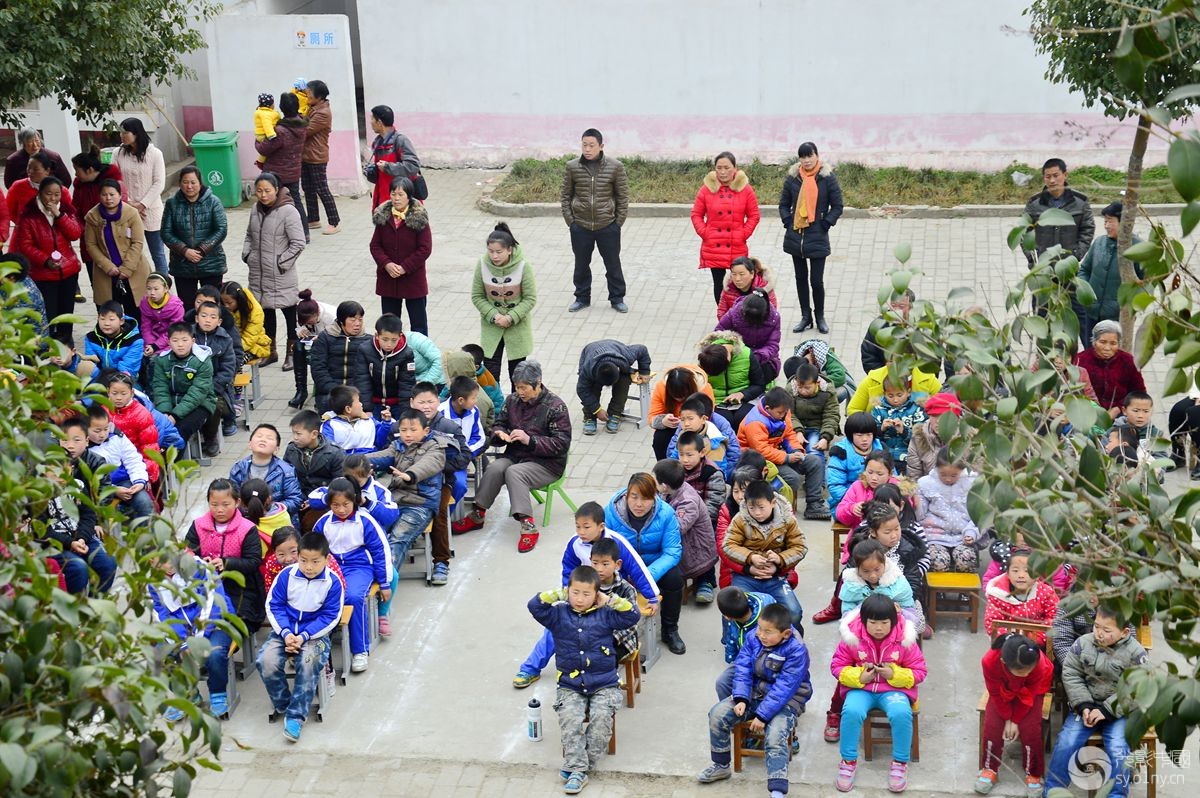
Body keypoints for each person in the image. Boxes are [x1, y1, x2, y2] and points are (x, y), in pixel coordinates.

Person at [528, 566, 640, 795]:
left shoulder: (606, 614)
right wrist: (560, 594)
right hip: (570, 684)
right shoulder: (557, 614)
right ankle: (580, 770)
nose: (579, 599)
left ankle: (577, 767)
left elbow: (632, 615)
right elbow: (534, 606)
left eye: (587, 594)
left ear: (597, 594)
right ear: (568, 591)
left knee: (601, 722)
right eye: (575, 592)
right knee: (570, 720)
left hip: (604, 683)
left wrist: (610, 601)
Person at [513, 517, 655, 689]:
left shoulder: (625, 590)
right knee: (556, 626)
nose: (600, 569)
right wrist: (566, 593)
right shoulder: (585, 584)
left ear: (617, 565)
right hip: (583, 631)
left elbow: (630, 622)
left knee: (589, 651)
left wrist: (650, 596)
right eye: (595, 563)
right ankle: (531, 668)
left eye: (605, 564)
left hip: (615, 639)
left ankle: (598, 685)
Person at [451, 361, 571, 553]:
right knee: (495, 468)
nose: (520, 392)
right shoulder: (512, 400)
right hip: (516, 455)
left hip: (547, 464)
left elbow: (561, 444)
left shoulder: (556, 407)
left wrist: (529, 440)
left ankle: (528, 526)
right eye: (517, 387)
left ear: (538, 383)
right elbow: (499, 423)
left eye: (524, 387)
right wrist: (499, 434)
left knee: (515, 473)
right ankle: (478, 514)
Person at [697, 603, 811, 798]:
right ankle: (721, 765)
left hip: (786, 701)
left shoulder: (796, 650)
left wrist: (762, 716)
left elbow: (785, 687)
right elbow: (742, 669)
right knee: (717, 714)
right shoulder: (753, 638)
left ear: (784, 634)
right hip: (753, 693)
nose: (761, 634)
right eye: (759, 628)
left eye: (768, 631)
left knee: (775, 734)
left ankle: (777, 786)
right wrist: (741, 697)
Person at [1045, 606, 1149, 798]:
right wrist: (1083, 705)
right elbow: (1071, 674)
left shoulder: (1136, 653)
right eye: (1096, 627)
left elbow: (1137, 687)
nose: (1099, 633)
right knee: (1067, 741)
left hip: (1119, 712)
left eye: (1107, 630)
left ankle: (1117, 794)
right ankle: (1052, 790)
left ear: (1125, 632)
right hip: (1085, 706)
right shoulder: (1082, 644)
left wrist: (1107, 710)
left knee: (1118, 747)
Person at [831, 593, 927, 793]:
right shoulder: (852, 638)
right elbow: (837, 666)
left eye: (884, 622)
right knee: (851, 712)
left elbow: (920, 671)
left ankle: (900, 763)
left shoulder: (904, 640)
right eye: (872, 622)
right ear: (863, 620)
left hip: (893, 690)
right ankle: (848, 761)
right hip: (861, 689)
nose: (878, 628)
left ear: (894, 621)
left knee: (901, 714)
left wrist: (894, 674)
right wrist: (859, 677)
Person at [257, 531, 344, 742]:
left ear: (326, 559)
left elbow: (330, 617)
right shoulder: (286, 576)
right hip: (283, 632)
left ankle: (296, 717)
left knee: (307, 663)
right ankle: (284, 704)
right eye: (304, 560)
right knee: (265, 661)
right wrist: (286, 633)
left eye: (315, 561)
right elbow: (274, 605)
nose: (309, 567)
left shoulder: (332, 583)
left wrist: (304, 636)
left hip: (315, 635)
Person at [311, 478, 393, 673]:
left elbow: (381, 552)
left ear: (355, 500)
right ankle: (315, 645)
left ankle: (359, 650)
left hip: (359, 566)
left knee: (353, 598)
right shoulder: (323, 522)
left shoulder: (365, 521)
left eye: (346, 504)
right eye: (335, 505)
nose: (341, 509)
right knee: (317, 597)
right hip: (331, 566)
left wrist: (384, 582)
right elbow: (313, 550)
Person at [365, 409, 446, 602]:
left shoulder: (436, 447)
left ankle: (384, 586)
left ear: (425, 430)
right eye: (403, 430)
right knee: (373, 533)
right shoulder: (397, 446)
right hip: (394, 501)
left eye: (412, 430)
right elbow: (381, 456)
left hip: (420, 504)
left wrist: (409, 475)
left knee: (398, 538)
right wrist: (357, 461)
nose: (407, 434)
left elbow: (428, 465)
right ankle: (368, 578)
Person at [605, 472, 686, 654]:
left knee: (674, 579)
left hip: (653, 567)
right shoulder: (610, 513)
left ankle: (670, 629)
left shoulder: (666, 514)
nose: (639, 504)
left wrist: (646, 575)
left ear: (655, 497)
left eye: (646, 498)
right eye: (634, 497)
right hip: (622, 567)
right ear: (627, 495)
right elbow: (604, 548)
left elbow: (672, 552)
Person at [150, 555, 234, 721]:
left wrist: (196, 642)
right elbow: (162, 616)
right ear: (151, 561)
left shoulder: (199, 567)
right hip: (180, 632)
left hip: (212, 623)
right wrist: (182, 645)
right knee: (158, 654)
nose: (169, 564)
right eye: (161, 560)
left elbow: (213, 603)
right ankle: (188, 694)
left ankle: (218, 692)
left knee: (215, 653)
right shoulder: (151, 583)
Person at [405, 382, 470, 588]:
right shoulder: (401, 426)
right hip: (407, 483)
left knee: (439, 511)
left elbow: (464, 457)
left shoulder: (449, 428)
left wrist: (437, 466)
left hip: (441, 482)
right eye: (421, 402)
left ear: (438, 402)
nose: (426, 406)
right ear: (411, 402)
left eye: (431, 401)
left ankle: (441, 561)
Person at [183, 478, 266, 636]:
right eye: (214, 505)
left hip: (241, 589)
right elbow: (187, 552)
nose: (219, 510)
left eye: (225, 504)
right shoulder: (199, 525)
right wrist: (199, 562)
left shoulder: (247, 529)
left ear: (237, 502)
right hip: (205, 586)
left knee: (227, 627)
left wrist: (226, 563)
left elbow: (253, 561)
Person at [721, 479, 807, 629]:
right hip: (745, 577)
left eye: (761, 507)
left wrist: (780, 561)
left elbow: (800, 547)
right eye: (751, 507)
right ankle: (734, 645)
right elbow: (728, 545)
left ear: (773, 502)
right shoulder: (740, 520)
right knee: (733, 610)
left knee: (794, 613)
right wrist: (750, 557)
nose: (757, 512)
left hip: (776, 577)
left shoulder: (787, 519)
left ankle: (790, 645)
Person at [561, 128, 629, 313]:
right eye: (584, 145)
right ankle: (582, 297)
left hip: (607, 225)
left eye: (591, 145)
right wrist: (571, 222)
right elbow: (565, 196)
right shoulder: (572, 166)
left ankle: (617, 298)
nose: (587, 149)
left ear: (601, 146)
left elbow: (622, 197)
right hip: (580, 226)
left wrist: (617, 223)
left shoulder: (615, 167)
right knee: (581, 265)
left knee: (613, 264)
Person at [976, 633, 1054, 796]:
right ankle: (989, 768)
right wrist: (1006, 719)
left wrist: (1016, 720)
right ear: (1004, 662)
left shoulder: (1038, 664)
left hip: (1032, 691)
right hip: (1002, 691)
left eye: (1028, 672)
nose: (1026, 674)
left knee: (1030, 728)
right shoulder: (989, 661)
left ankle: (1033, 772)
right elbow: (995, 694)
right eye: (1022, 672)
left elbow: (1031, 694)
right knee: (992, 725)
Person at [46, 418, 118, 594]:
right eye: (65, 440)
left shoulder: (89, 470)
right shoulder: (41, 487)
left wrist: (83, 537)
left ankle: (95, 606)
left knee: (108, 563)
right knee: (78, 568)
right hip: (56, 539)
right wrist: (72, 543)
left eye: (76, 440)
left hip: (83, 530)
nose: (70, 445)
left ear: (87, 440)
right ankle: (75, 608)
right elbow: (40, 527)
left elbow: (96, 504)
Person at [778, 142, 844, 334]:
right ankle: (805, 317)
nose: (806, 160)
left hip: (817, 235)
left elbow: (838, 205)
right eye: (803, 156)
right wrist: (788, 222)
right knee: (801, 279)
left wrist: (826, 223)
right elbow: (783, 204)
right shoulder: (793, 178)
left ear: (817, 156)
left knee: (816, 281)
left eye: (810, 156)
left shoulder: (827, 178)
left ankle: (820, 316)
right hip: (795, 236)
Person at [243, 172, 306, 369]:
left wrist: (281, 262)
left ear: (276, 190)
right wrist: (247, 255)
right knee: (266, 313)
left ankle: (292, 353)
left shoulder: (288, 211)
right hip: (259, 274)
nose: (263, 195)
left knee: (289, 315)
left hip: (281, 275)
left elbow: (298, 243)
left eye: (267, 191)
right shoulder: (255, 209)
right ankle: (270, 351)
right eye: (259, 191)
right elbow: (249, 235)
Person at [738, 387, 828, 520]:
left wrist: (796, 451)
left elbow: (789, 434)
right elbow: (761, 450)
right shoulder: (755, 422)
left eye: (785, 412)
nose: (783, 415)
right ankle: (781, 510)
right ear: (768, 408)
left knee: (815, 461)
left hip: (778, 454)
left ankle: (814, 505)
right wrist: (787, 457)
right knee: (793, 478)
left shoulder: (783, 411)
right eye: (780, 412)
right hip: (759, 461)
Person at [10, 176, 81, 340]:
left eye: (57, 194)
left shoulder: (66, 210)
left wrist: (59, 215)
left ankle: (66, 345)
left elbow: (75, 233)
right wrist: (46, 260)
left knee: (66, 313)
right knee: (48, 313)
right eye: (49, 194)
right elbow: (25, 245)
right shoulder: (29, 214)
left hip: (68, 270)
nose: (53, 198)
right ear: (40, 193)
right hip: (44, 274)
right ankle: (48, 346)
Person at [691, 151, 761, 303]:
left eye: (727, 168)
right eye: (719, 168)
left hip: (736, 243)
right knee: (719, 284)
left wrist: (743, 234)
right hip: (714, 244)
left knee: (741, 283)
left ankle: (741, 318)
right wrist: (705, 233)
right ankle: (722, 317)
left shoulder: (745, 189)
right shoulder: (706, 189)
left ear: (735, 168)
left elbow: (754, 215)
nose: (722, 172)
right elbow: (696, 214)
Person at [472, 222, 537, 386]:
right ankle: (495, 408)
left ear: (509, 249)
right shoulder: (481, 265)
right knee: (491, 376)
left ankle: (518, 408)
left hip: (517, 327)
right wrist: (494, 316)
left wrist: (511, 317)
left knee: (518, 375)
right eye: (491, 251)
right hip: (492, 326)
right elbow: (477, 296)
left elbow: (530, 298)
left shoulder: (524, 266)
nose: (494, 256)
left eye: (499, 252)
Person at [370, 176, 432, 334]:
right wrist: (387, 264)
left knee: (418, 325)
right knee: (389, 324)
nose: (396, 198)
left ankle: (419, 357)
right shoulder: (383, 216)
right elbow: (375, 245)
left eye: (400, 195)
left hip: (413, 279)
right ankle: (391, 355)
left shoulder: (419, 217)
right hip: (388, 279)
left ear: (409, 196)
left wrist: (405, 267)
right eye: (393, 194)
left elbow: (425, 248)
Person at [160, 166, 228, 309]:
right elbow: (166, 232)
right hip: (182, 265)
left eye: (193, 182)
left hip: (211, 263)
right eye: (185, 182)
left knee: (211, 307)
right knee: (188, 308)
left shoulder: (213, 201)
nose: (189, 186)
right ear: (180, 183)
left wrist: (202, 250)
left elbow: (221, 229)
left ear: (200, 183)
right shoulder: (172, 204)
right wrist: (185, 251)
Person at [654, 458, 718, 604]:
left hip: (696, 547)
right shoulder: (669, 491)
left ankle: (705, 582)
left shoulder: (687, 501)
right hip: (686, 542)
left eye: (655, 481)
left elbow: (676, 528)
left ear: (664, 486)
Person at [83, 178, 149, 320]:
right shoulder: (92, 216)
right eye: (104, 194)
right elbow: (91, 244)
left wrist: (127, 268)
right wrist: (107, 266)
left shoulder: (131, 213)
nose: (108, 198)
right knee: (110, 313)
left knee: (136, 311)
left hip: (133, 271)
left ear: (120, 195)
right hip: (106, 273)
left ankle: (136, 340)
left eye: (112, 194)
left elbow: (137, 242)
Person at [1078, 201, 1141, 347]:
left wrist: (1128, 306)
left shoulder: (1138, 248)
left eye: (1110, 221)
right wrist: (1084, 291)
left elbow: (1145, 283)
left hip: (1116, 317)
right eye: (1105, 221)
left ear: (1124, 222)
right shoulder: (1099, 243)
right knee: (1090, 351)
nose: (1106, 225)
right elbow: (1084, 270)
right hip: (1092, 312)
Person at [112, 118, 167, 275]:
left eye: (125, 132)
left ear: (136, 133)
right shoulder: (118, 153)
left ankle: (164, 288)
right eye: (120, 132)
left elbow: (159, 183)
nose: (122, 136)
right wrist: (129, 204)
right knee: (129, 253)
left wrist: (142, 204)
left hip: (151, 211)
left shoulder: (155, 153)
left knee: (158, 253)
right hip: (126, 211)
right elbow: (115, 181)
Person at [255, 92, 309, 241]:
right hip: (294, 171)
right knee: (296, 202)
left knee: (271, 203)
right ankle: (304, 233)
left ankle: (271, 235)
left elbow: (263, 149)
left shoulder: (279, 131)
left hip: (275, 174)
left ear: (281, 108)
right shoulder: (303, 125)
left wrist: (258, 139)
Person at [1023, 157, 1095, 271]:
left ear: (1065, 175)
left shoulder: (1080, 202)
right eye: (1048, 177)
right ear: (1044, 178)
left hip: (1068, 265)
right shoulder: (1034, 203)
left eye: (1056, 175)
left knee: (1068, 289)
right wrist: (1032, 257)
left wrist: (1077, 255)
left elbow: (1087, 229)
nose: (1052, 181)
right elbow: (1024, 231)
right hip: (1041, 266)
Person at [916, 448, 979, 573]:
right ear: (936, 469)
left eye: (954, 475)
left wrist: (972, 532)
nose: (948, 479)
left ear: (962, 470)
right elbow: (919, 515)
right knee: (937, 561)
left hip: (963, 536)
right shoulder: (926, 484)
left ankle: (965, 591)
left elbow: (981, 515)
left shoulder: (974, 483)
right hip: (935, 536)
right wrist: (915, 501)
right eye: (943, 475)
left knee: (967, 559)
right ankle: (938, 592)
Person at [150, 322, 215, 440]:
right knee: (154, 428)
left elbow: (197, 393)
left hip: (200, 403)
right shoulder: (161, 360)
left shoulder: (203, 361)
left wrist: (175, 415)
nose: (180, 345)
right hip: (169, 403)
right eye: (175, 341)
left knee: (179, 430)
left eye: (185, 340)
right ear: (169, 342)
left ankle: (174, 458)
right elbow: (160, 388)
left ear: (193, 341)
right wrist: (165, 412)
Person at [983, 547, 1059, 644]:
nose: (1021, 575)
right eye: (1015, 571)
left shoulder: (1046, 592)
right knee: (987, 660)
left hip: (1038, 644)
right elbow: (992, 624)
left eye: (1027, 571)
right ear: (1008, 574)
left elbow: (1055, 619)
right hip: (1006, 645)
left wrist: (1033, 638)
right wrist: (1014, 639)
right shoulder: (997, 595)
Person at [839, 539, 920, 630]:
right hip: (863, 630)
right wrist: (862, 610)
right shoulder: (851, 586)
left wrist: (900, 612)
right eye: (866, 571)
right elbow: (847, 618)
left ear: (884, 563)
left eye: (877, 569)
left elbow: (913, 618)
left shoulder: (898, 583)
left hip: (894, 632)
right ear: (857, 569)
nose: (872, 576)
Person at [576, 339, 652, 436]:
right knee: (592, 388)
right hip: (591, 353)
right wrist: (597, 409)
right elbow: (582, 390)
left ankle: (615, 413)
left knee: (623, 383)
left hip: (616, 351)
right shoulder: (587, 370)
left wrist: (644, 371)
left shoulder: (627, 355)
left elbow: (642, 349)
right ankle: (590, 416)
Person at [228, 423, 304, 519]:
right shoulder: (239, 468)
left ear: (276, 449)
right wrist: (248, 509)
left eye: (269, 438)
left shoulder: (286, 471)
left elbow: (295, 500)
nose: (263, 439)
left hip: (276, 521)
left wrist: (269, 509)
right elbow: (232, 498)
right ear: (250, 444)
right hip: (246, 521)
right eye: (259, 436)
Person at [1072, 320, 1146, 417]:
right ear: (1094, 342)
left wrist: (1118, 408)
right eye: (1102, 342)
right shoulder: (1080, 360)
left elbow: (1139, 392)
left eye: (1113, 343)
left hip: (1122, 413)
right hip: (1087, 413)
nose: (1107, 348)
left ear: (1118, 344)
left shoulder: (1128, 361)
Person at [193, 300, 239, 453]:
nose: (207, 320)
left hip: (216, 390)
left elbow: (228, 370)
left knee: (214, 405)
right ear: (196, 318)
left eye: (212, 317)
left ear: (219, 321)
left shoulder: (225, 340)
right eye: (204, 315)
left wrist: (207, 388)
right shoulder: (188, 336)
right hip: (190, 388)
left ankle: (210, 438)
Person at [284, 409, 345, 522]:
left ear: (314, 434)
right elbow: (286, 477)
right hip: (298, 497)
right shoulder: (292, 449)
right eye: (293, 433)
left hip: (324, 500)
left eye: (298, 434)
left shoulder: (335, 453)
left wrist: (316, 501)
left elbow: (339, 485)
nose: (295, 437)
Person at [697, 332, 768, 429]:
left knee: (745, 420)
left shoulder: (746, 355)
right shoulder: (707, 359)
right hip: (717, 402)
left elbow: (759, 385)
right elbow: (700, 389)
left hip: (745, 400)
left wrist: (742, 394)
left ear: (728, 360)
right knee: (723, 421)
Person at [715, 586, 776, 698]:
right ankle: (732, 710)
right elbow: (731, 640)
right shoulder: (734, 620)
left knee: (761, 688)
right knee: (722, 683)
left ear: (727, 617)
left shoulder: (766, 620)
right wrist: (732, 660)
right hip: (745, 660)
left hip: (769, 663)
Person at [351, 313, 416, 418]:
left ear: (400, 336)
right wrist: (367, 409)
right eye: (385, 339)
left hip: (397, 404)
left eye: (394, 340)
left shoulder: (406, 354)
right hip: (373, 403)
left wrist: (405, 413)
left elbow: (407, 385)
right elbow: (362, 381)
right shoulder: (365, 350)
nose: (389, 344)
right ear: (377, 336)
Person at [310, 300, 369, 414]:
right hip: (331, 392)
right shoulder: (325, 338)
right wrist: (337, 391)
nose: (357, 323)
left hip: (356, 393)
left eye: (360, 319)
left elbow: (366, 376)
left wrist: (353, 393)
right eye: (352, 319)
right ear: (341, 321)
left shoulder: (367, 341)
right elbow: (318, 370)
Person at [103, 370, 162, 483]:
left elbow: (149, 448)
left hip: (135, 465)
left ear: (132, 393)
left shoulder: (142, 414)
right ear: (108, 392)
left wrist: (145, 476)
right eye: (114, 393)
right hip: (108, 466)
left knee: (143, 501)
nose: (118, 398)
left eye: (123, 393)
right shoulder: (103, 411)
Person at [301, 79, 341, 235]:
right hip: (306, 154)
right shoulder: (312, 108)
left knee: (322, 189)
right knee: (308, 188)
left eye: (310, 93)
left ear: (319, 96)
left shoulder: (323, 113)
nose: (307, 95)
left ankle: (334, 221)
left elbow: (306, 131)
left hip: (317, 156)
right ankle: (313, 219)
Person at [667, 393, 740, 480]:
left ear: (704, 418)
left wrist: (727, 477)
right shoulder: (684, 429)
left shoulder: (715, 439)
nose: (686, 423)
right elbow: (672, 456)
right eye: (682, 419)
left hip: (707, 481)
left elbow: (732, 455)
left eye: (691, 418)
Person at [649, 364, 715, 460]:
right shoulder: (661, 387)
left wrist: (692, 423)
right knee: (660, 437)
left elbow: (709, 416)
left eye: (682, 396)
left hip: (698, 428)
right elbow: (652, 418)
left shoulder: (704, 389)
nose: (679, 399)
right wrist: (663, 421)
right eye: (675, 396)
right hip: (673, 427)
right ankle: (664, 467)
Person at [364, 105, 423, 211]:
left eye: (372, 118)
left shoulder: (400, 141)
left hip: (401, 198)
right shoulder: (379, 142)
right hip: (384, 196)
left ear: (380, 122)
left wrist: (387, 167)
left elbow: (413, 166)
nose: (370, 122)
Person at [716, 290, 782, 381]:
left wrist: (753, 357)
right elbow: (718, 334)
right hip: (737, 354)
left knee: (761, 376)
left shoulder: (774, 318)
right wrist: (729, 349)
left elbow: (772, 345)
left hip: (762, 359)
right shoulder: (734, 314)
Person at [674, 430, 728, 537]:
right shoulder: (675, 469)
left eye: (689, 455)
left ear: (702, 452)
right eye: (681, 455)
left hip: (702, 523)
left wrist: (688, 520)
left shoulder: (712, 473)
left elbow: (713, 506)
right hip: (679, 516)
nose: (685, 460)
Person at [827, 412, 883, 513]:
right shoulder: (840, 452)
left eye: (869, 435)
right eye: (859, 435)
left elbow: (892, 478)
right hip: (847, 502)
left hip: (879, 499)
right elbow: (835, 486)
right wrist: (856, 503)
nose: (865, 439)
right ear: (850, 435)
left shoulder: (881, 448)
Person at [786, 362, 841, 464]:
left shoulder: (827, 392)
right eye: (800, 387)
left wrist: (825, 437)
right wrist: (798, 431)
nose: (802, 391)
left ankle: (819, 478)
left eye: (807, 388)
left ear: (817, 384)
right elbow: (789, 414)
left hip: (816, 428)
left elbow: (831, 415)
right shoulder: (791, 389)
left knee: (814, 451)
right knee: (794, 452)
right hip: (794, 428)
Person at [870, 374, 928, 469]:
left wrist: (904, 431)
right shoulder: (878, 409)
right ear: (884, 393)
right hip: (882, 457)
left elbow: (922, 439)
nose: (895, 399)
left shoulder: (917, 409)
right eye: (890, 396)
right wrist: (881, 429)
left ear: (908, 392)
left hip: (908, 457)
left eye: (899, 395)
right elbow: (869, 435)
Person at [290, 289, 336, 407]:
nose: (309, 323)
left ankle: (321, 392)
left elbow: (338, 335)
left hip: (332, 344)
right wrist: (301, 331)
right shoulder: (300, 311)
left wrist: (321, 337)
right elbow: (298, 326)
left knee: (320, 354)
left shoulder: (330, 315)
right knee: (298, 347)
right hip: (313, 341)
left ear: (317, 314)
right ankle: (301, 391)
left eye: (310, 320)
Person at [847, 361, 941, 416]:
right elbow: (853, 409)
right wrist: (873, 424)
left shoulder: (928, 379)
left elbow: (945, 408)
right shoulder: (872, 379)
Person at [906, 392, 962, 480]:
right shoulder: (919, 437)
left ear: (956, 418)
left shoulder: (969, 438)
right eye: (935, 416)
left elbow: (975, 473)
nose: (939, 421)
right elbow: (914, 474)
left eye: (944, 417)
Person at [835, 450, 898, 528]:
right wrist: (852, 508)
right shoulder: (857, 486)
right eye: (870, 472)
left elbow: (906, 517)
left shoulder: (897, 489)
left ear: (890, 474)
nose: (874, 478)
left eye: (880, 474)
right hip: (861, 535)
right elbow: (839, 513)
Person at [322, 385, 391, 454]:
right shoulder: (330, 426)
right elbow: (330, 451)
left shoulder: (370, 421)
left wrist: (386, 424)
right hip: (345, 462)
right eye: (358, 401)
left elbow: (380, 443)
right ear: (348, 409)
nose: (361, 404)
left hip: (371, 458)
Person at [860, 289, 914, 374]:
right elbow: (868, 357)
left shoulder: (919, 328)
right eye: (893, 305)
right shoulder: (878, 326)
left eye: (901, 306)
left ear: (911, 307)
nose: (896, 310)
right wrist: (885, 378)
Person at [84, 301, 143, 376]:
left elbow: (127, 369)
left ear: (121, 321)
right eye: (102, 319)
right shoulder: (91, 338)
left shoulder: (135, 341)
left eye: (111, 319)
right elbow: (91, 365)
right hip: (99, 378)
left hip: (125, 379)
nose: (106, 323)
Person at [139, 273, 185, 368]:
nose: (152, 293)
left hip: (170, 339)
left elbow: (173, 330)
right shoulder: (145, 303)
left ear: (166, 289)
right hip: (151, 340)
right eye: (149, 288)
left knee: (159, 361)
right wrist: (150, 344)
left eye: (156, 289)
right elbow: (146, 327)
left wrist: (156, 346)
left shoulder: (176, 306)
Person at [221, 281, 273, 363]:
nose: (226, 306)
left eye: (229, 303)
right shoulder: (224, 308)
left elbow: (250, 338)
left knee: (234, 360)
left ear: (238, 300)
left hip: (254, 345)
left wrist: (232, 349)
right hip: (232, 344)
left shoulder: (255, 312)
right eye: (223, 303)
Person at [0, 252, 48, 337]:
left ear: (12, 277)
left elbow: (5, 323)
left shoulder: (21, 297)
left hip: (30, 346)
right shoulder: (20, 278)